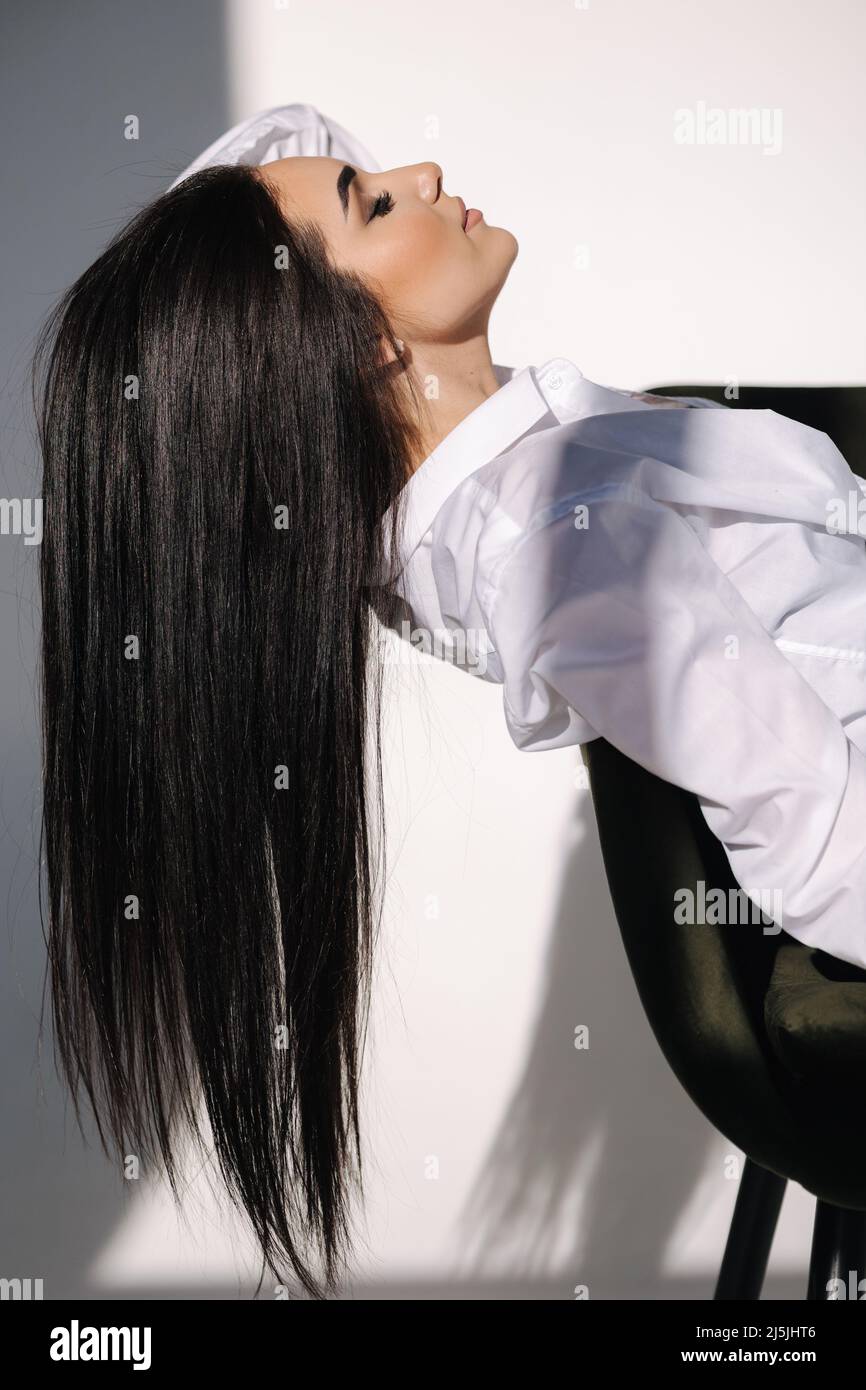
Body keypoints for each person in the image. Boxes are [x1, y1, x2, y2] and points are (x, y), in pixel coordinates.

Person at [32, 103, 866, 1299]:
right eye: (373, 201)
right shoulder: (553, 537)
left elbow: (281, 142)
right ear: (352, 344)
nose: (422, 171)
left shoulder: (519, 472)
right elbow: (818, 833)